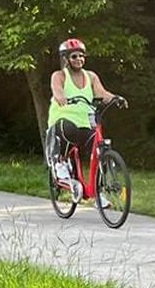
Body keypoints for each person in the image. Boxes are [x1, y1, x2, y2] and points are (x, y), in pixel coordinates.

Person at [47, 37, 124, 184]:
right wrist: (61, 97)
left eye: (81, 55)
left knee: (101, 149)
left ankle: (99, 189)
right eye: (74, 56)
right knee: (68, 129)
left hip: (86, 121)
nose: (79, 59)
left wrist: (115, 98)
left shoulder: (91, 76)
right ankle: (60, 162)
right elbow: (57, 91)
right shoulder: (60, 75)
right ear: (66, 59)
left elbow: (101, 93)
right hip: (64, 119)